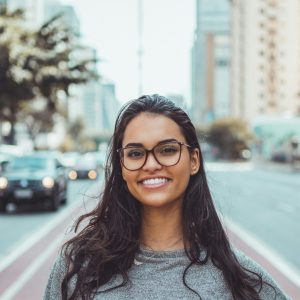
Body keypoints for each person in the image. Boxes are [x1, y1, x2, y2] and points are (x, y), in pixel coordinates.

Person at [44, 94, 289, 300]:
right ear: (121, 166)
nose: (151, 164)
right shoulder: (76, 268)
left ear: (194, 161)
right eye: (136, 153)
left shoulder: (241, 279)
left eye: (168, 150)